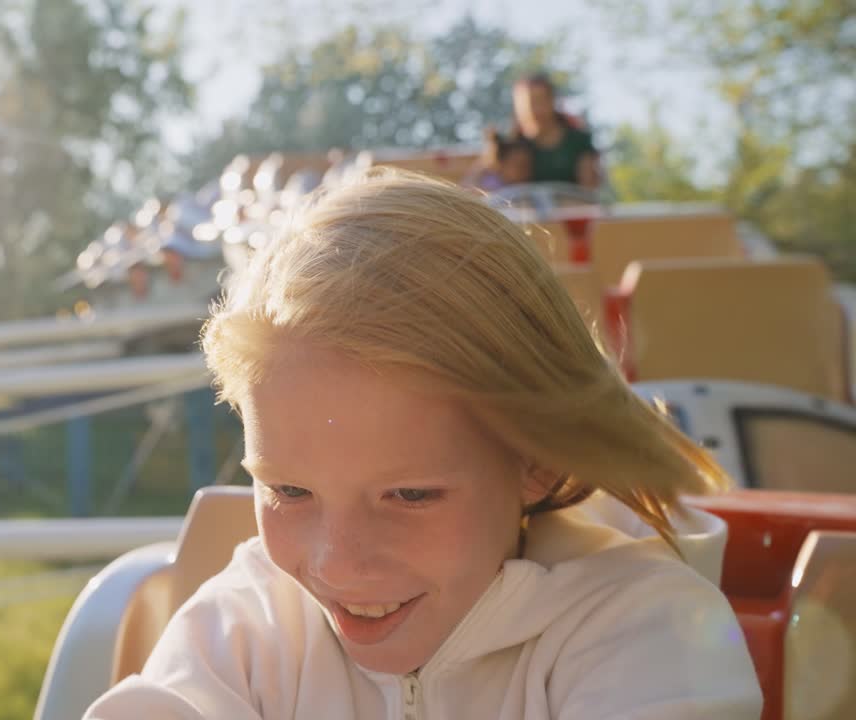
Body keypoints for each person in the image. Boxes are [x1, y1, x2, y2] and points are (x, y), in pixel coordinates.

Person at [84, 169, 761, 719]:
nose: (339, 565)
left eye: (409, 495)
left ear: (536, 456)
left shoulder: (649, 635)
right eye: (290, 491)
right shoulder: (253, 623)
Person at [513, 73, 600, 188]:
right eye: (529, 103)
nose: (536, 109)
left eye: (541, 101)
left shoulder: (578, 142)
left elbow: (588, 190)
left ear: (552, 101)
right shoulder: (512, 146)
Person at [469, 127, 533, 192]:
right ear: (502, 165)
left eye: (527, 166)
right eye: (519, 166)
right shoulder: (492, 186)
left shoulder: (524, 185)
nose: (525, 172)